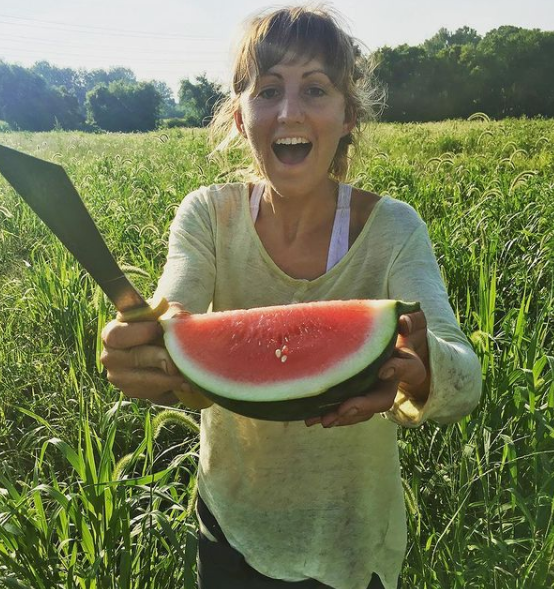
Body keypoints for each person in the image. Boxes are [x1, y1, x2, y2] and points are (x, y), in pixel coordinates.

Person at [100, 5, 482, 589]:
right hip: (233, 528)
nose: (289, 111)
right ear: (239, 115)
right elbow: (174, 318)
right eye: (268, 90)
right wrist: (145, 346)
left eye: (316, 89)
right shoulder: (208, 216)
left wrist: (424, 368)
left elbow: (466, 377)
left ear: (348, 114)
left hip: (354, 538)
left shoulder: (394, 230)